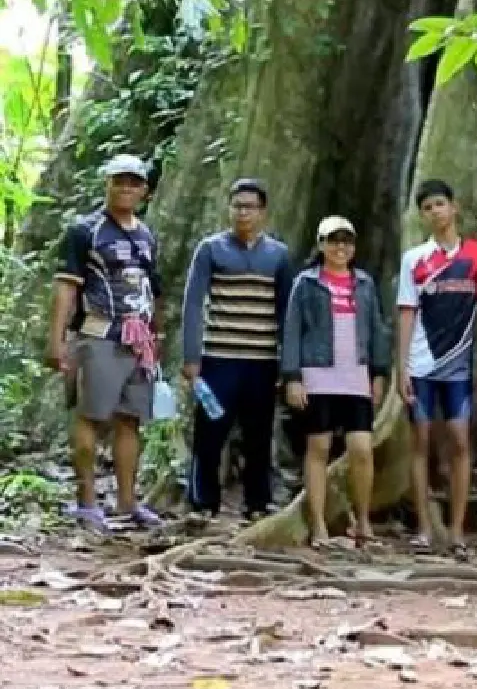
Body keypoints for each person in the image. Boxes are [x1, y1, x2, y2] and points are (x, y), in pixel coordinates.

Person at [45, 154, 166, 533]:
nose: (126, 188)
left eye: (134, 182)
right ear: (107, 184)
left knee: (131, 421)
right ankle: (87, 502)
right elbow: (66, 288)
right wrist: (57, 341)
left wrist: (156, 336)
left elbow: (152, 289)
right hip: (99, 336)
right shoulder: (86, 230)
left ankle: (128, 504)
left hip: (139, 342)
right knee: (91, 417)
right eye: (119, 181)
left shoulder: (146, 235)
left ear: (144, 190)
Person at [395, 179, 477, 554]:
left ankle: (456, 529)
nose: (435, 212)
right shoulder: (415, 259)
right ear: (422, 216)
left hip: (459, 366)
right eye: (427, 208)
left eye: (440, 204)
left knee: (458, 439)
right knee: (420, 440)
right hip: (421, 366)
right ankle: (423, 526)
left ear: (454, 208)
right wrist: (401, 367)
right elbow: (406, 312)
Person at [180, 178, 292, 522]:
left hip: (261, 361)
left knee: (258, 434)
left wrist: (289, 367)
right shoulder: (211, 249)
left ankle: (257, 504)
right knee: (210, 432)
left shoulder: (278, 255)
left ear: (263, 213)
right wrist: (191, 357)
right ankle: (203, 503)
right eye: (237, 206)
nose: (243, 213)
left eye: (250, 207)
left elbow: (287, 311)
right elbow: (193, 303)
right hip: (219, 359)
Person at [280, 217, 390, 549]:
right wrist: (293, 377)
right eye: (332, 240)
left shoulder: (365, 284)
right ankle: (318, 525)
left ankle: (364, 521)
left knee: (360, 449)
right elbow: (292, 330)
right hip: (318, 374)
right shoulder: (306, 283)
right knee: (319, 448)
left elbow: (376, 329)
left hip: (356, 375)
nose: (340, 247)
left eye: (346, 241)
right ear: (321, 244)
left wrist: (379, 372)